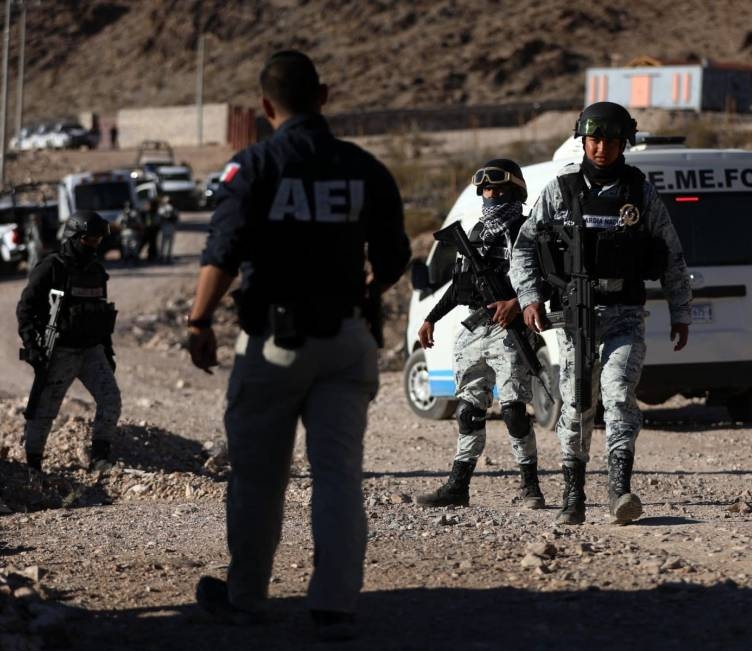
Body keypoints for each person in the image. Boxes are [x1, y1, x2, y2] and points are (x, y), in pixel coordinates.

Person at [186, 50, 410, 641]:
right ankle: (335, 606)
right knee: (338, 475)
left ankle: (247, 597)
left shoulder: (255, 166)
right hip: (345, 340)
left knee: (259, 478)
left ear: (265, 106)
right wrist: (367, 288)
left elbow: (223, 253)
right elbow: (393, 258)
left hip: (276, 344)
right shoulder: (364, 168)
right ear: (325, 96)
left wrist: (198, 321)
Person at [510, 102, 691, 526]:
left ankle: (619, 489)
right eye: (594, 140)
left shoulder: (639, 192)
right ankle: (573, 495)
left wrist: (681, 311)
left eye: (610, 140)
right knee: (576, 405)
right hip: (576, 320)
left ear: (623, 142)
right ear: (582, 140)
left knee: (618, 395)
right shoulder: (561, 190)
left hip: (625, 315)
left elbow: (671, 256)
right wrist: (530, 298)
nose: (602, 149)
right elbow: (524, 248)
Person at [415, 159, 544, 510]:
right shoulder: (475, 234)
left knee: (515, 409)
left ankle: (531, 487)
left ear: (516, 191)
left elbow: (548, 280)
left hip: (511, 330)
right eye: (488, 189)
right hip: (476, 329)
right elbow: (459, 287)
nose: (493, 195)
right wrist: (430, 319)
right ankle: (459, 486)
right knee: (469, 409)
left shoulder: (528, 231)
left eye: (501, 189)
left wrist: (516, 304)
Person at [16, 211, 121, 471]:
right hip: (61, 351)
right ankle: (33, 465)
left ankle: (100, 457)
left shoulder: (96, 270)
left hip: (92, 351)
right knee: (45, 409)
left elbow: (101, 313)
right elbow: (26, 308)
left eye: (98, 239)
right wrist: (33, 345)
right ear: (74, 238)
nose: (95, 244)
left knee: (111, 400)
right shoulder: (52, 267)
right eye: (90, 239)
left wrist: (107, 351)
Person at [157, 195, 178, 263]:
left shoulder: (162, 208)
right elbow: (176, 218)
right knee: (169, 242)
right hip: (170, 226)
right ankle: (167, 256)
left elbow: (159, 218)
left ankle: (163, 256)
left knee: (163, 242)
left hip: (165, 226)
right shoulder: (173, 208)